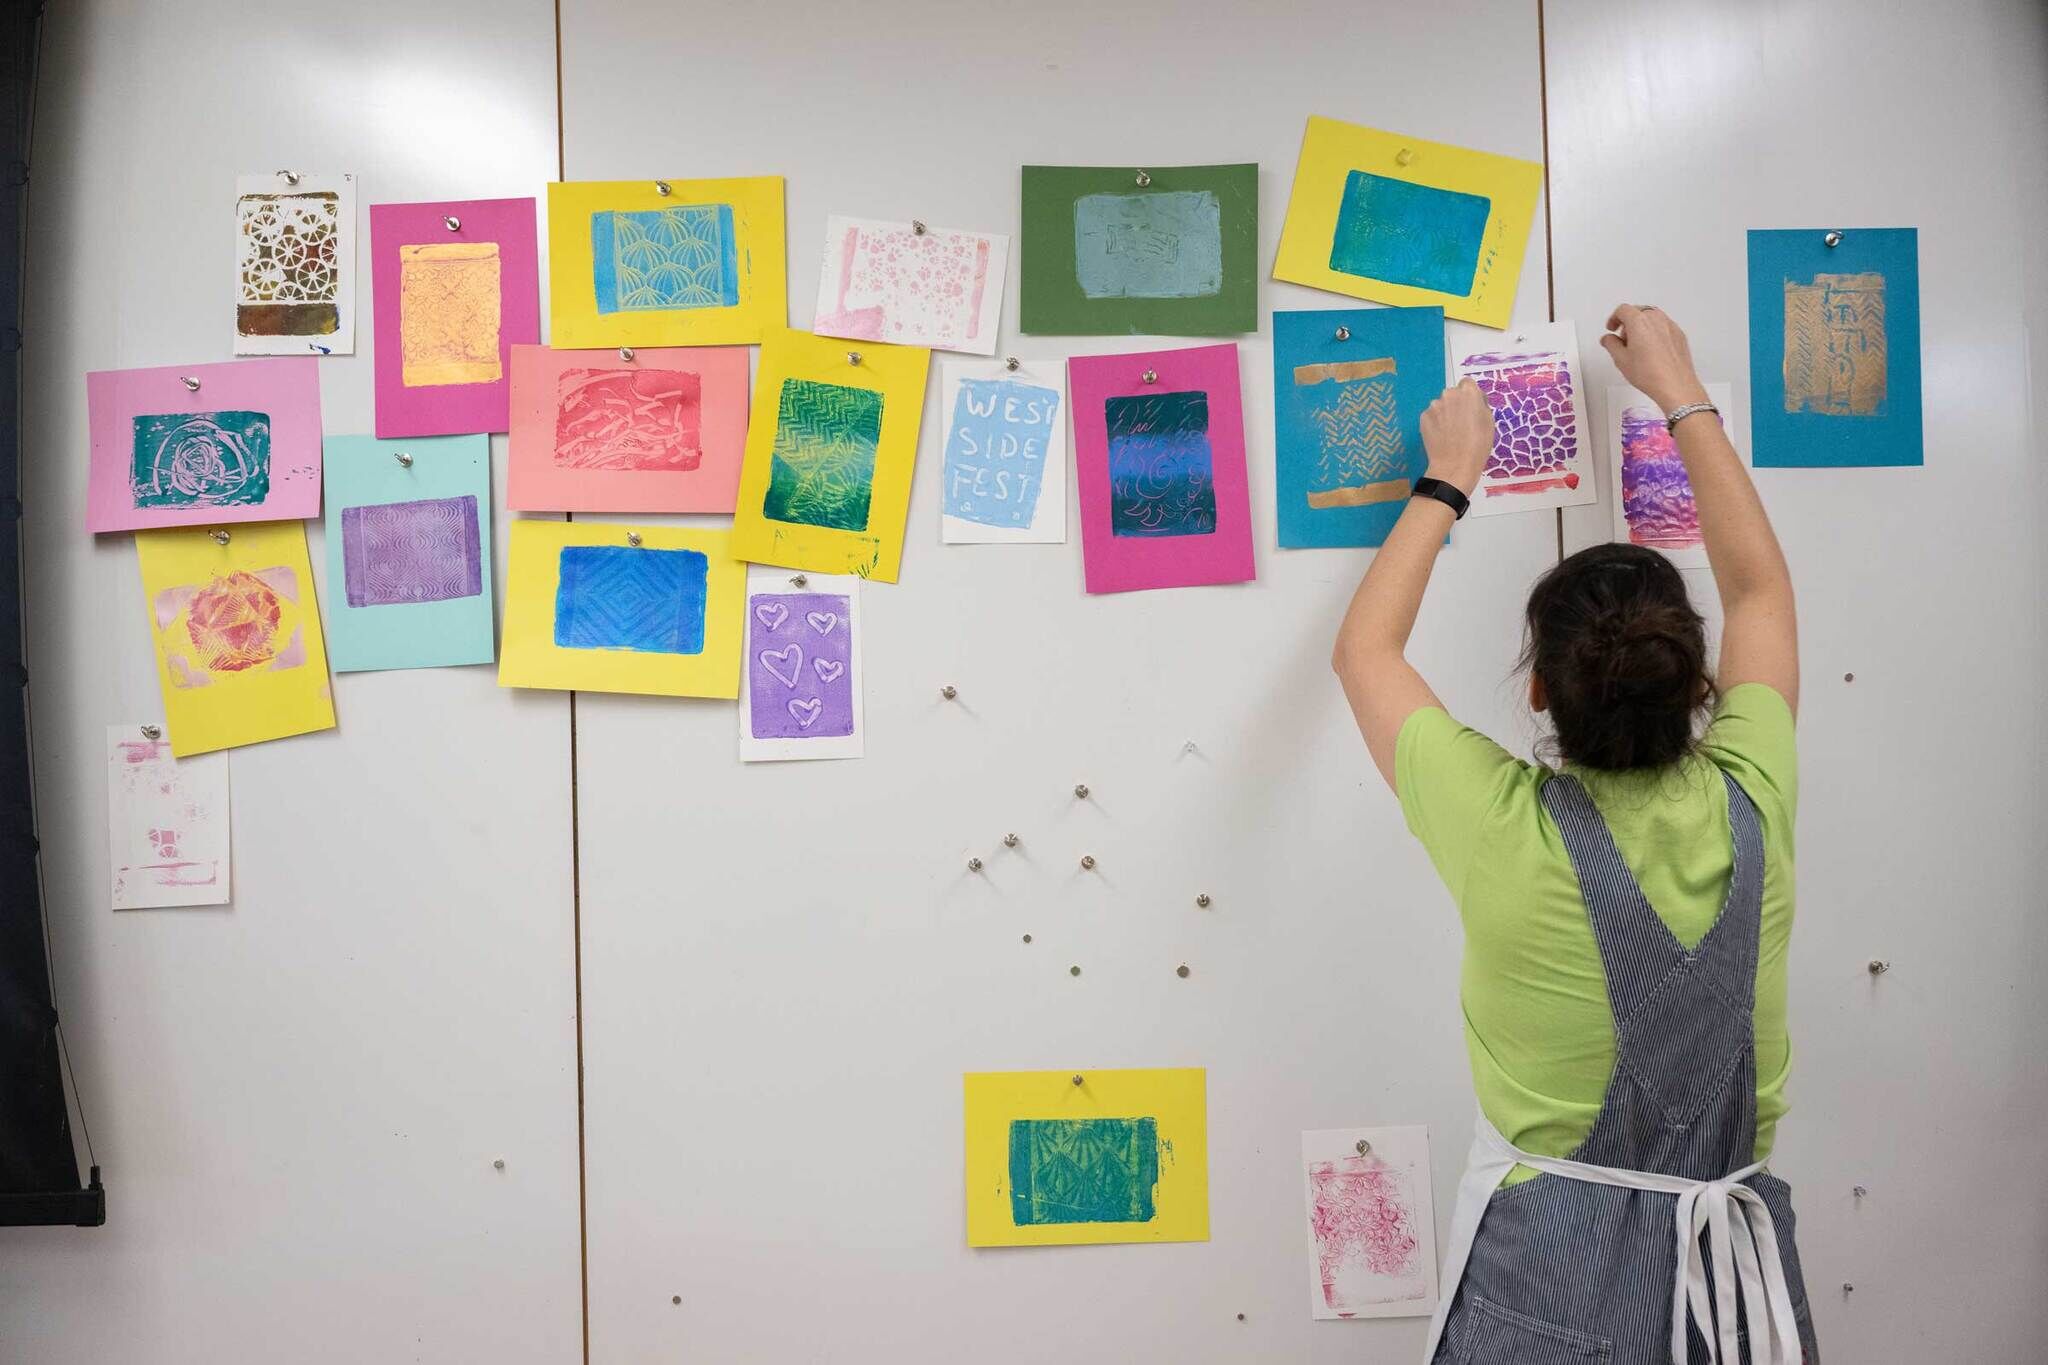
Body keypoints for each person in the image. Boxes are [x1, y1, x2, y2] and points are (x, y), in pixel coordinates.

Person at [1331, 306, 1815, 1364]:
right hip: (1728, 1294)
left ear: (1540, 690)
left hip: (1542, 1287)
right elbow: (1759, 589)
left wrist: (1448, 476)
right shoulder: (1752, 790)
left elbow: (1365, 650)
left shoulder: (1499, 825)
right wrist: (1678, 392)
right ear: (1699, 685)